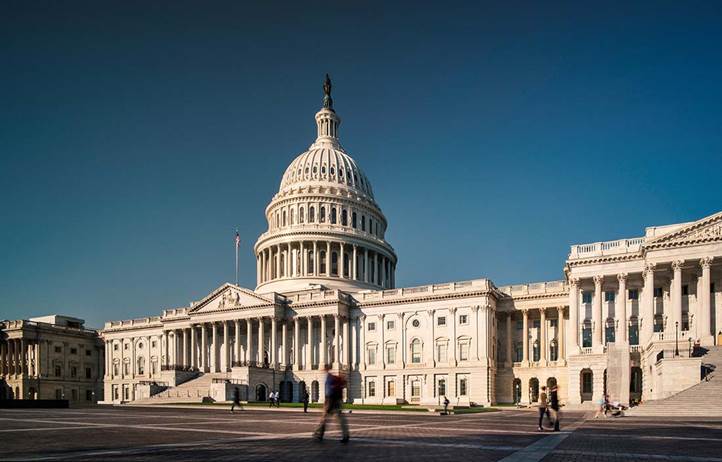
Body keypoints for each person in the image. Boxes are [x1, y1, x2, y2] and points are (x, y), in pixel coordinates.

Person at [313, 365, 349, 443]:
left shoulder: (330, 378)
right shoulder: (333, 377)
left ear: (326, 370)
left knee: (325, 418)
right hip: (337, 400)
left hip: (331, 400)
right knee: (340, 419)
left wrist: (326, 403)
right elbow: (343, 385)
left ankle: (319, 434)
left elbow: (329, 391)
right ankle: (345, 435)